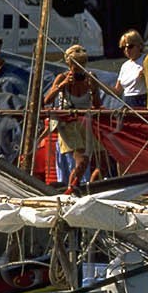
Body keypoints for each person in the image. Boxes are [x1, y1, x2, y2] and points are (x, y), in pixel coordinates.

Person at [43, 45, 102, 192]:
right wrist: (62, 86)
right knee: (80, 160)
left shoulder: (91, 77)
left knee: (96, 160)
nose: (79, 71)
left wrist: (94, 90)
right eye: (76, 68)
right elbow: (47, 100)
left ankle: (83, 188)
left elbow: (97, 105)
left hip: (86, 123)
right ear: (69, 66)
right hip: (68, 124)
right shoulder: (62, 78)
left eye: (82, 67)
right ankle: (71, 190)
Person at [112, 29, 147, 109]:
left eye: (130, 46)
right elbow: (118, 91)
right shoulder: (125, 66)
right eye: (124, 47)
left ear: (139, 46)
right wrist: (99, 84)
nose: (126, 50)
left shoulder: (146, 60)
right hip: (127, 102)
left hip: (142, 101)